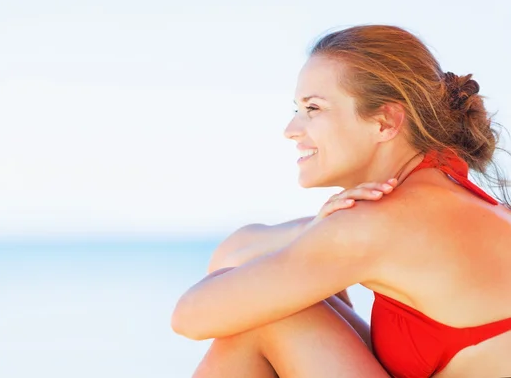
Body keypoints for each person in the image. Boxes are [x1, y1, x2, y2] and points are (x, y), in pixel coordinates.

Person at [171, 25, 511, 378]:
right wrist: (318, 226)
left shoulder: (380, 222)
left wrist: (329, 231)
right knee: (272, 302)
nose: (291, 128)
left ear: (385, 122)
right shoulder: (453, 195)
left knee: (267, 320)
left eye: (313, 108)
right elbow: (231, 257)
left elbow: (189, 317)